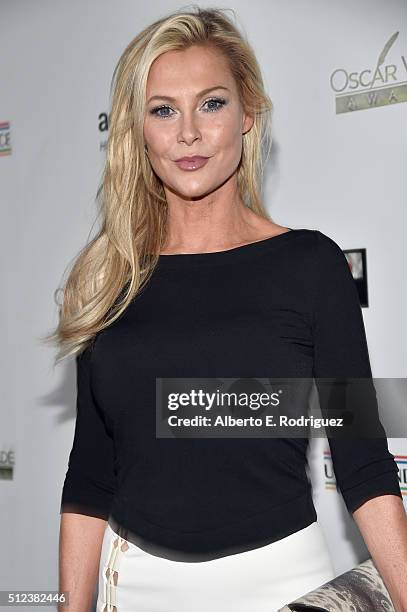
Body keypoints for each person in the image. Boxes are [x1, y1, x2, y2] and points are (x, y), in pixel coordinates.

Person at [46, 7, 407, 612]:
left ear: (248, 116)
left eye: (211, 104)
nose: (188, 133)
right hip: (131, 588)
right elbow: (90, 472)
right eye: (164, 110)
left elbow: (364, 462)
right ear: (138, 130)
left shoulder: (311, 266)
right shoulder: (108, 275)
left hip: (283, 586)